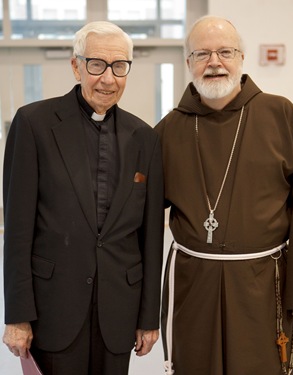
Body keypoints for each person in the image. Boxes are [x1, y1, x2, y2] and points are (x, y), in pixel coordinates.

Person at [155, 15, 293, 375]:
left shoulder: (280, 114)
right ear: (188, 63)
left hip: (264, 283)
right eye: (202, 54)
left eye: (225, 52)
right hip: (193, 283)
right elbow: (140, 213)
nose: (214, 62)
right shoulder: (169, 129)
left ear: (241, 58)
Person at [2, 21, 164, 375]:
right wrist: (17, 316)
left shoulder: (145, 138)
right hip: (53, 309)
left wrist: (149, 317)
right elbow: (16, 230)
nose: (108, 78)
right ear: (76, 66)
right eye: (97, 64)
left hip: (118, 312)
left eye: (119, 66)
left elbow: (150, 236)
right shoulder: (33, 124)